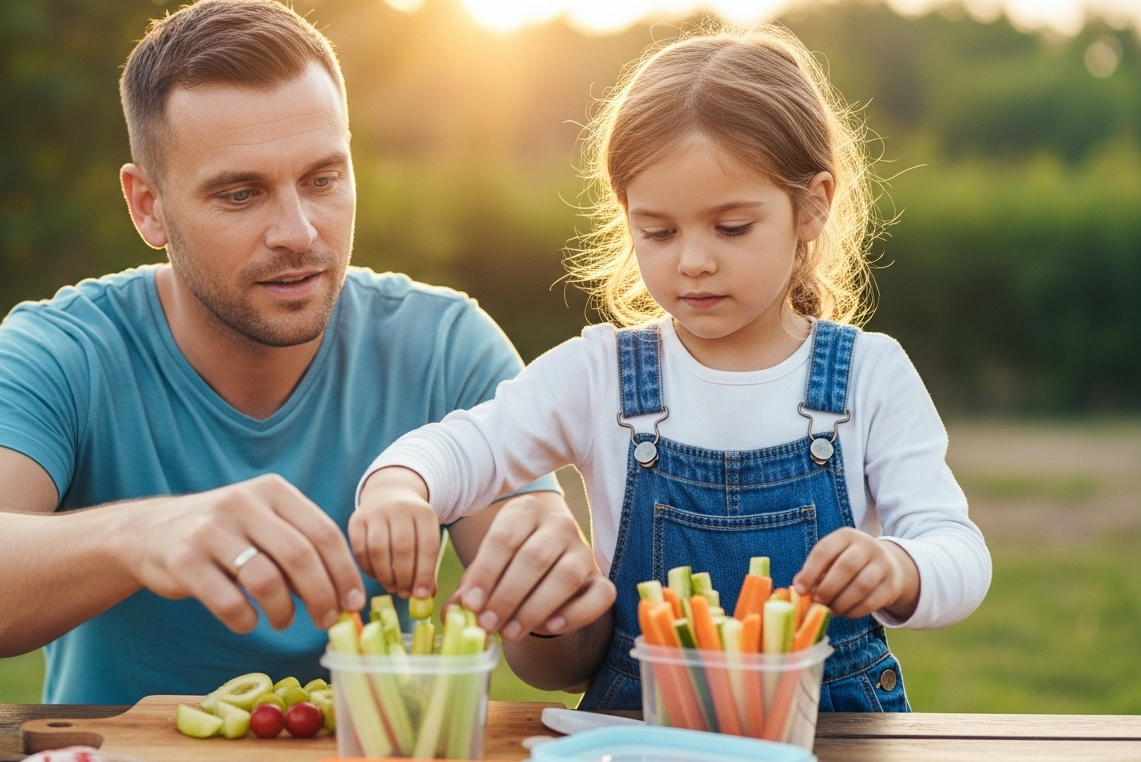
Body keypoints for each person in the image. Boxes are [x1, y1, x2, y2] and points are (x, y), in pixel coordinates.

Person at [0, 0, 613, 705]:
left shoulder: (445, 347)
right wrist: (141, 534)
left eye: (323, 179)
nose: (299, 231)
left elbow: (562, 665)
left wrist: (555, 600)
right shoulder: (61, 350)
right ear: (147, 207)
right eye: (240, 194)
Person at [350, 24, 991, 710]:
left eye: (732, 227)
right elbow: (466, 445)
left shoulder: (869, 375)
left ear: (812, 205)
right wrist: (398, 486)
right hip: (637, 737)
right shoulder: (601, 375)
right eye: (658, 231)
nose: (692, 260)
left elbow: (958, 550)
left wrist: (900, 568)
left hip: (827, 738)